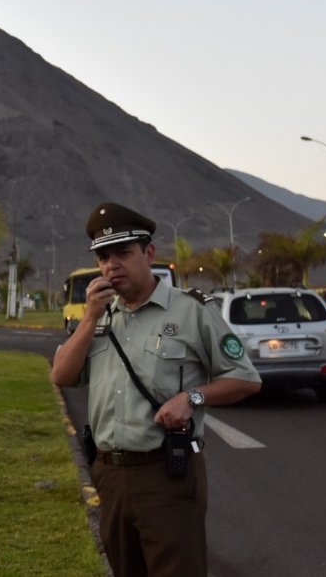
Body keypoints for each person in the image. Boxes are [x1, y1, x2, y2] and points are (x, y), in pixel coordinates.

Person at [51, 202, 261, 577]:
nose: (112, 265)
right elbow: (62, 376)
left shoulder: (192, 311)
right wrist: (89, 319)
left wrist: (192, 397)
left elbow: (245, 378)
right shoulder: (100, 318)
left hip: (167, 474)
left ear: (148, 254)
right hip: (110, 475)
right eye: (103, 257)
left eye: (123, 253)